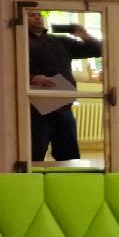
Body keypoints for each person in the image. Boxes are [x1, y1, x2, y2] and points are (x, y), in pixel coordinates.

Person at [26, 10, 104, 163]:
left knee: (69, 157)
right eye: (31, 15)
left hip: (62, 106)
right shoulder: (17, 42)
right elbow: (8, 71)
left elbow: (98, 50)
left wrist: (84, 35)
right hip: (34, 109)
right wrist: (32, 78)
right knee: (33, 156)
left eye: (39, 14)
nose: (37, 17)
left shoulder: (60, 41)